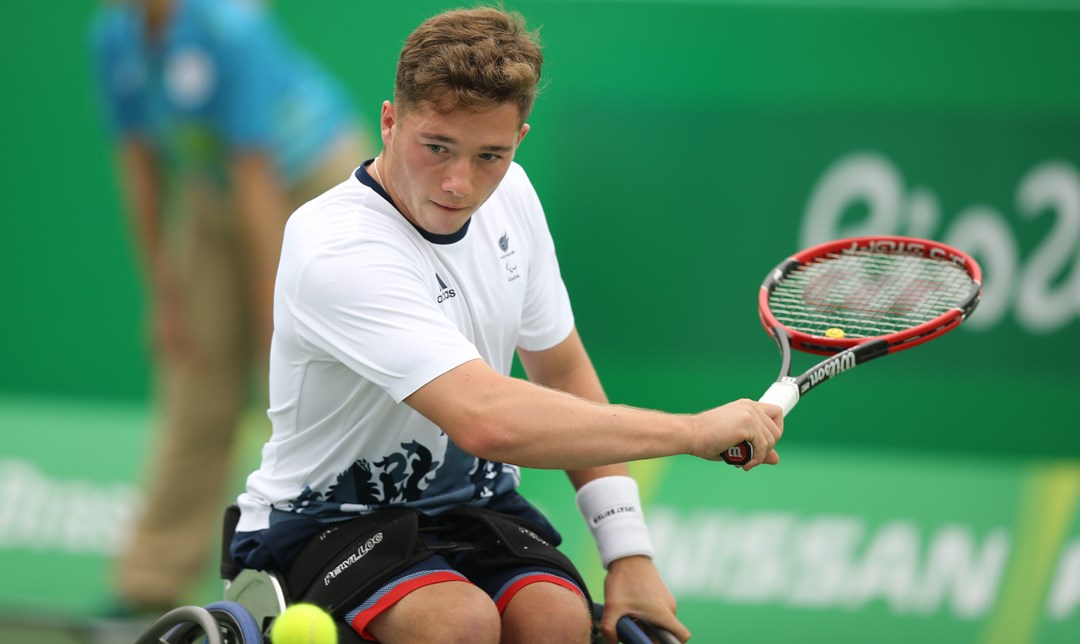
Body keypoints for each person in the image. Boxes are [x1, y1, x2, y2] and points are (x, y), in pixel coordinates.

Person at [231, 6, 784, 643]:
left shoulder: (514, 195)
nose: (459, 182)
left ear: (518, 138)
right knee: (458, 621)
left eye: (489, 155)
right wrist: (691, 431)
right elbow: (484, 418)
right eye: (436, 147)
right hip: (326, 520)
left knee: (554, 619)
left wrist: (628, 555)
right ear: (390, 121)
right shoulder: (338, 246)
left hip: (471, 508)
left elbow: (562, 369)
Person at [89, 0, 374, 612]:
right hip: (217, 197)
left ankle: (349, 568)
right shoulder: (113, 36)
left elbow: (257, 178)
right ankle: (149, 581)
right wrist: (164, 293)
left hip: (310, 188)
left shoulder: (234, 29)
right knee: (196, 378)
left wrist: (281, 315)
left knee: (310, 381)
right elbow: (137, 163)